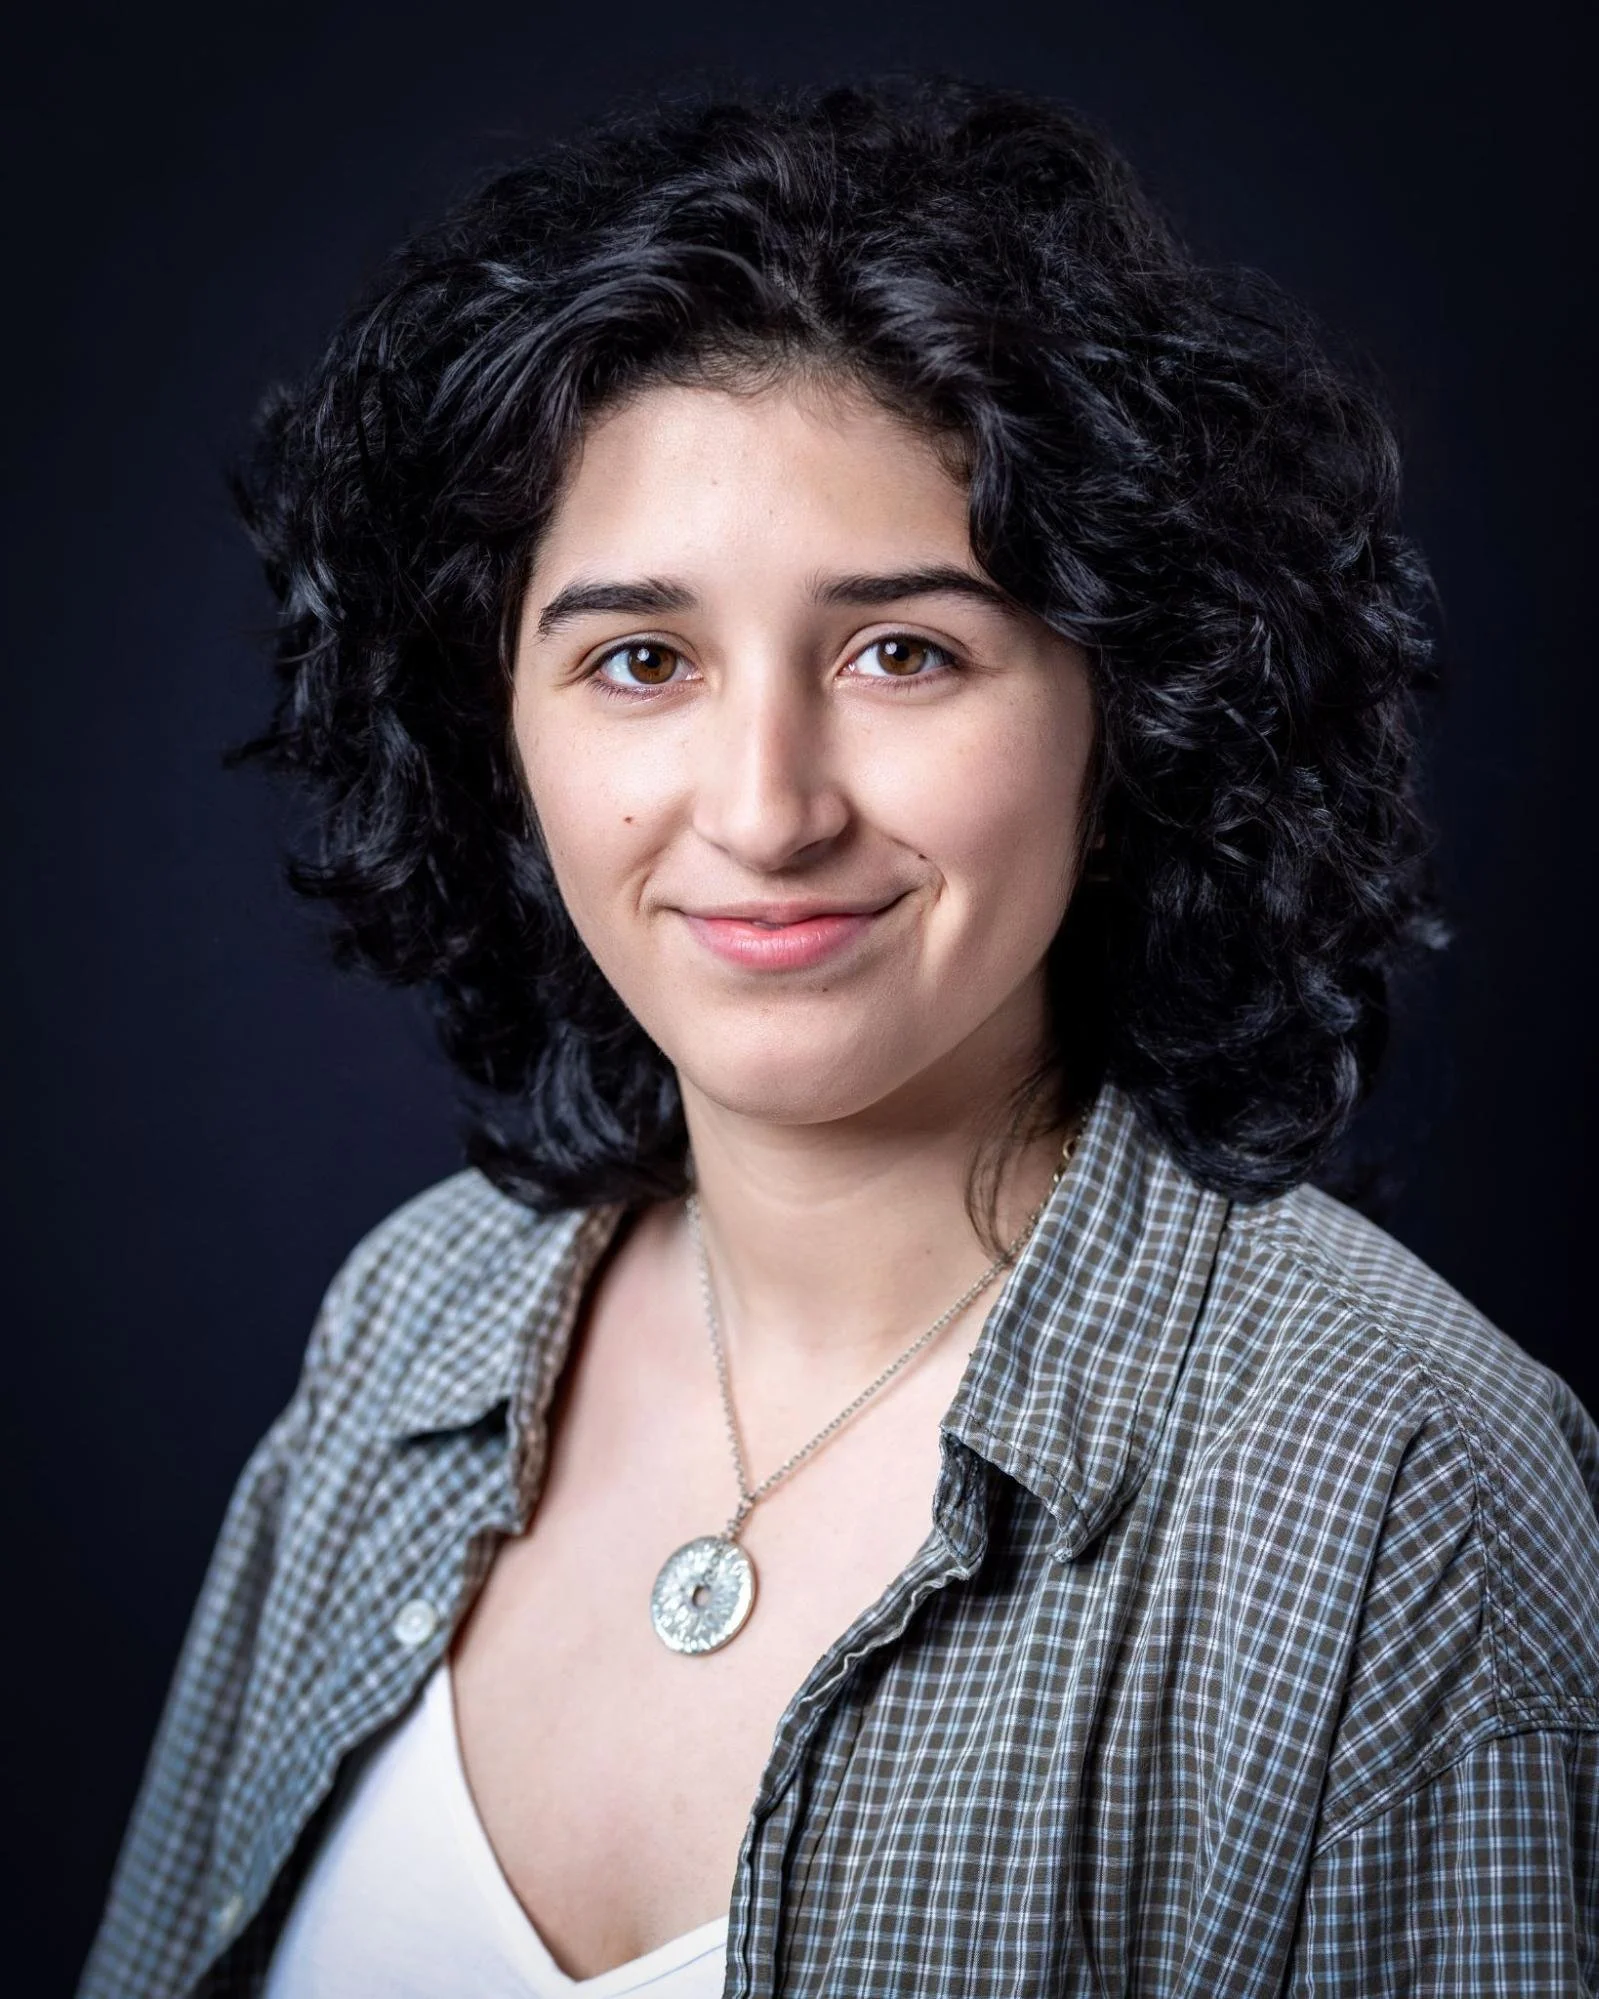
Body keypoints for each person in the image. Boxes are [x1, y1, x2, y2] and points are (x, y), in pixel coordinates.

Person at [79, 75, 1599, 1999]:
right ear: (503, 726)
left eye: (905, 651)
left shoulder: (1390, 1481)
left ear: (1120, 713)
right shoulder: (413, 1324)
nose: (766, 802)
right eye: (640, 658)